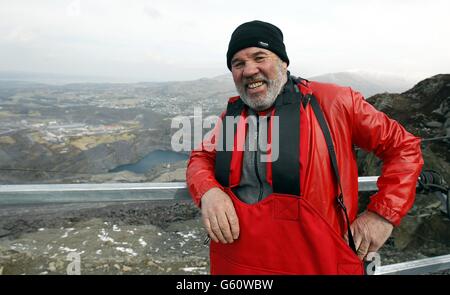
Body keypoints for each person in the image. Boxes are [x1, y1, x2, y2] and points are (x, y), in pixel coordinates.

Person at [186, 20, 424, 274]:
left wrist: (382, 215)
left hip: (318, 263)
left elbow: (403, 148)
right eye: (238, 64)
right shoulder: (232, 117)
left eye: (259, 57)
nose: (249, 70)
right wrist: (209, 192)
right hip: (236, 266)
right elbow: (201, 157)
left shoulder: (334, 103)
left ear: (283, 62)